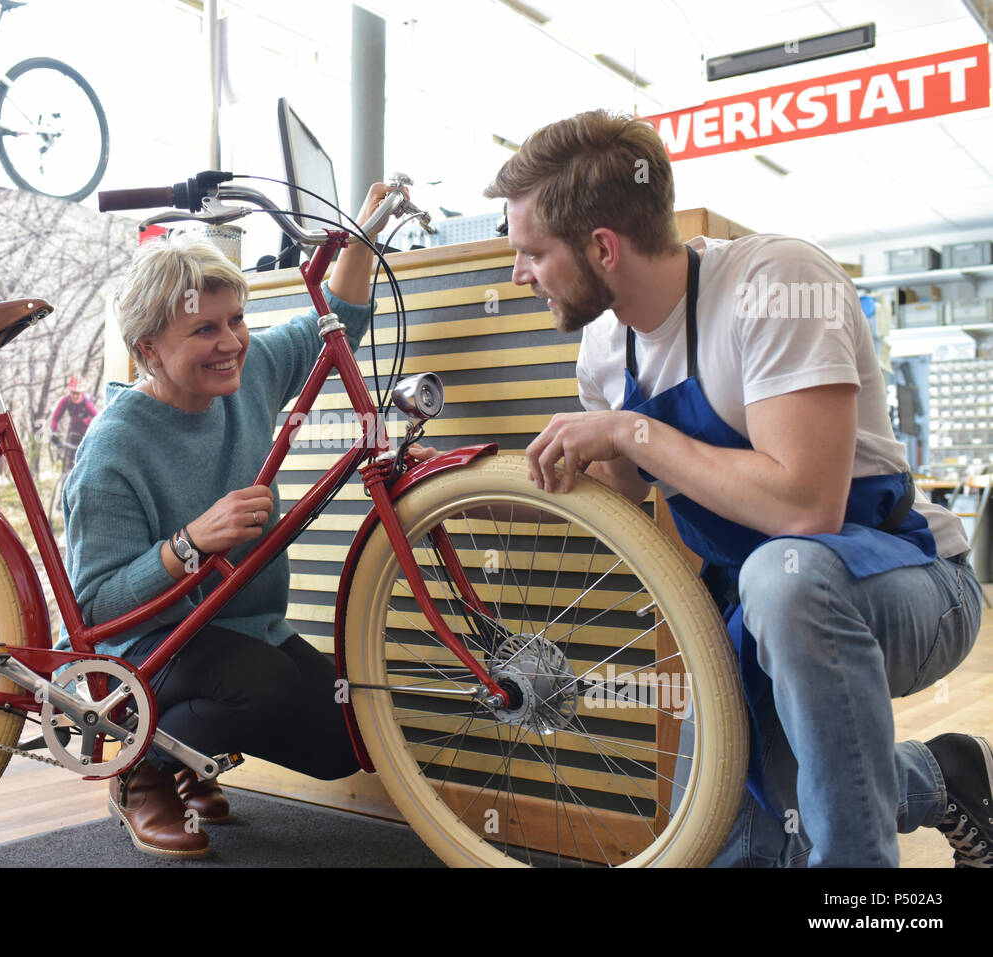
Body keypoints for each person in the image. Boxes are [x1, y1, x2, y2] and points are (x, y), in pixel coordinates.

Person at [485, 109, 990, 868]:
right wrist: (592, 476)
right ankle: (946, 775)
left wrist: (629, 432)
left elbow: (805, 509)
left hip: (906, 583)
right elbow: (639, 515)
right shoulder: (601, 345)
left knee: (783, 578)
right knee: (739, 835)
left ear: (601, 247)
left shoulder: (777, 283)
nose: (519, 274)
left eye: (531, 253)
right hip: (754, 614)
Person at [61, 184, 429, 858]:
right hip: (147, 648)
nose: (230, 341)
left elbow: (338, 317)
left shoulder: (245, 369)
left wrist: (365, 224)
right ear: (149, 348)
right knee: (262, 683)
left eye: (237, 319)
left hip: (235, 627)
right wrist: (188, 543)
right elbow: (95, 608)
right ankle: (144, 772)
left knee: (344, 739)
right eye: (205, 328)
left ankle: (194, 756)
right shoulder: (113, 448)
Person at [48, 375, 98, 471]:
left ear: (82, 393)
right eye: (73, 393)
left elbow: (97, 416)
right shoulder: (66, 401)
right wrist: (54, 433)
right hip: (74, 433)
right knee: (71, 464)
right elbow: (55, 418)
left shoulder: (86, 402)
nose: (75, 396)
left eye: (78, 393)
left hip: (87, 433)